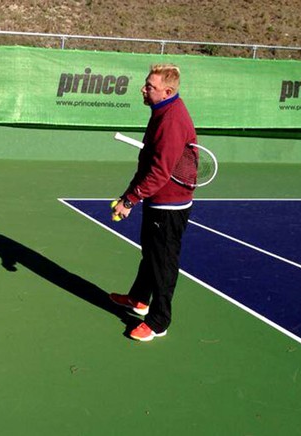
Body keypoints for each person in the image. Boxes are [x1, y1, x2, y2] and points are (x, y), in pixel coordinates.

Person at [109, 64, 196, 342]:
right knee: (151, 253)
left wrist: (129, 200)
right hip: (159, 200)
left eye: (150, 86)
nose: (143, 89)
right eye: (146, 84)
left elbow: (159, 171)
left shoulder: (171, 120)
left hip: (169, 205)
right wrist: (128, 193)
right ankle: (138, 299)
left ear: (167, 91)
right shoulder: (161, 111)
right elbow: (148, 162)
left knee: (163, 262)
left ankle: (159, 321)